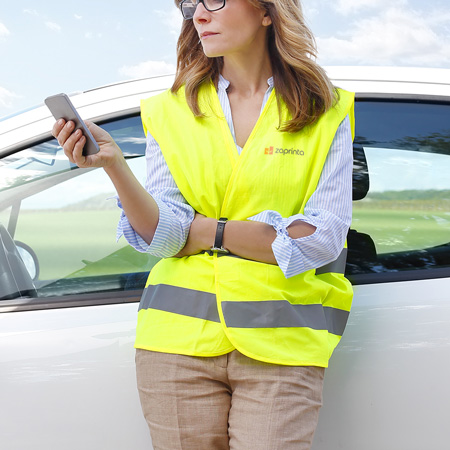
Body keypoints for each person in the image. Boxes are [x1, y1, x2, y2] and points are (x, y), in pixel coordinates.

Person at [53, 0, 354, 448]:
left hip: (282, 344)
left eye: (214, 0)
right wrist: (114, 166)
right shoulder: (168, 111)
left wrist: (208, 232)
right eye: (190, 5)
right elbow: (164, 237)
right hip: (175, 344)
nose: (199, 15)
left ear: (267, 11)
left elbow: (322, 239)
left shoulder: (325, 110)